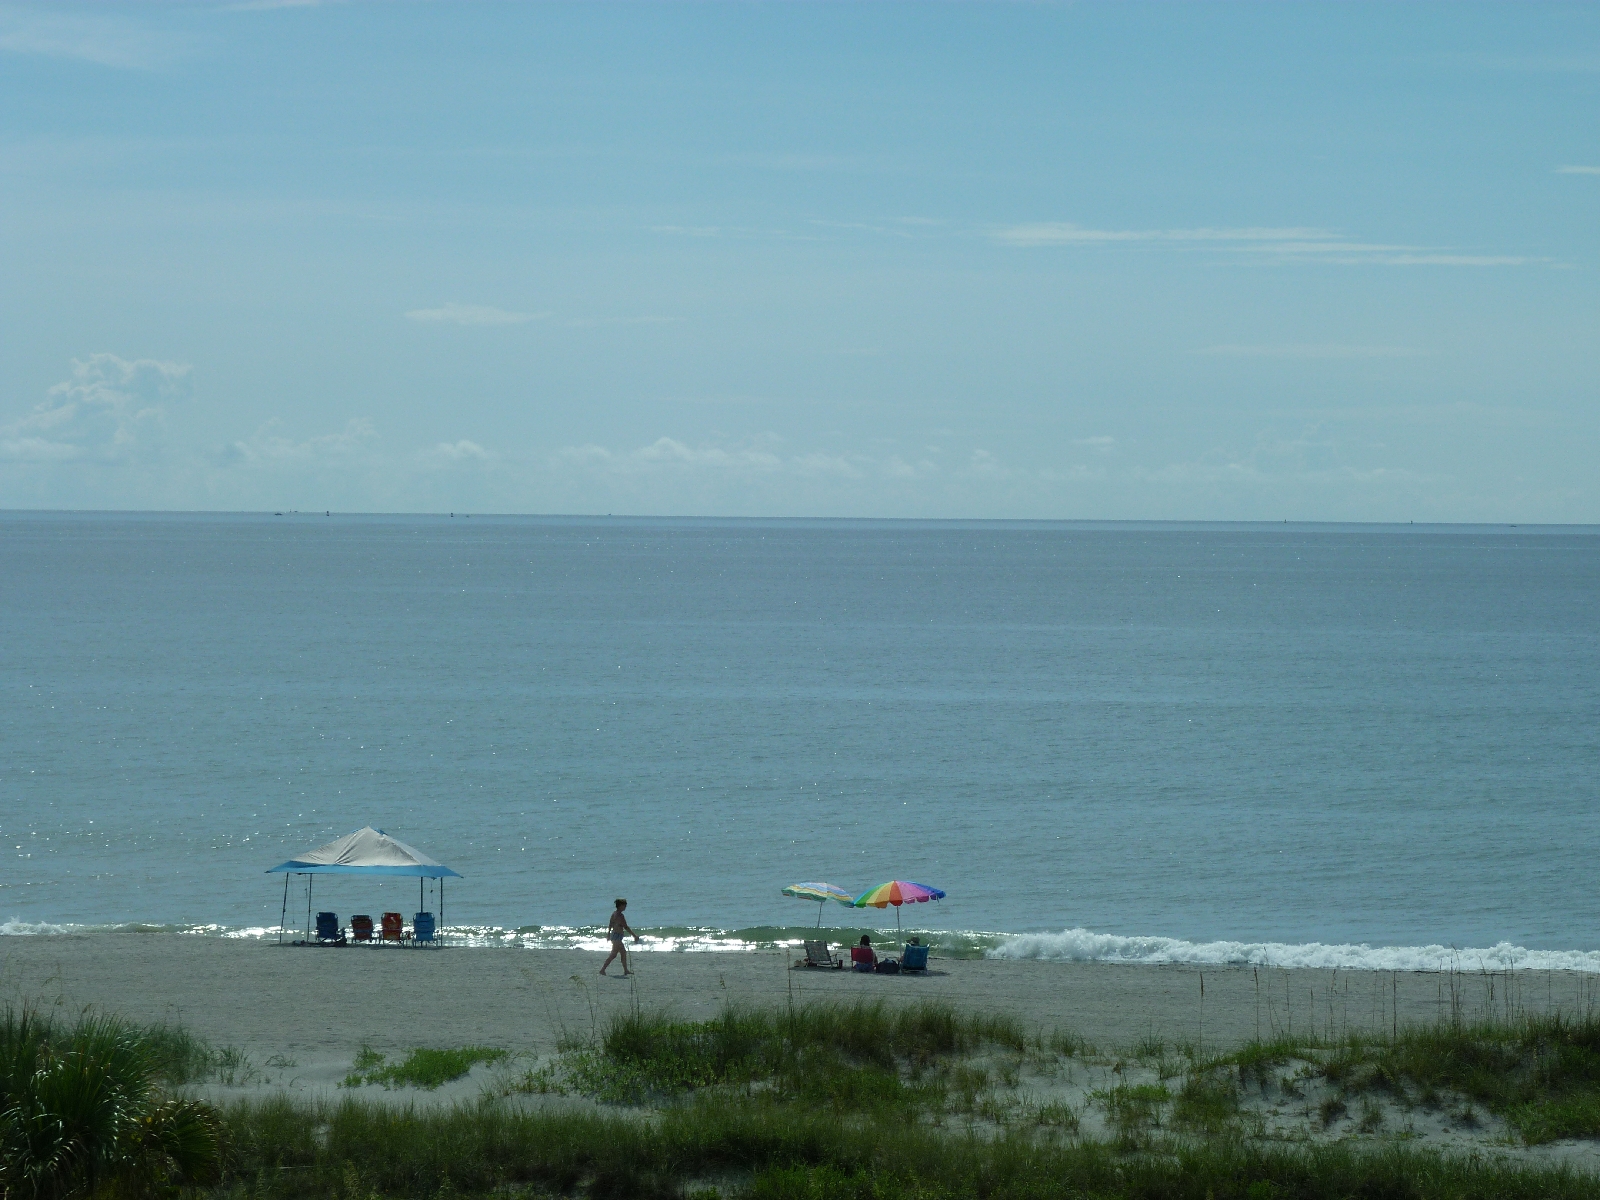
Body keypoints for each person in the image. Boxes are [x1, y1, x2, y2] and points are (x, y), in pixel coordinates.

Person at [599, 898, 641, 976]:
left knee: (622, 953)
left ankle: (625, 970)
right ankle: (602, 969)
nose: (625, 907)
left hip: (614, 936)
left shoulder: (614, 913)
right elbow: (626, 927)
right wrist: (634, 935)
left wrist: (608, 934)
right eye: (624, 905)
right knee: (613, 954)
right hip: (617, 937)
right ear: (621, 906)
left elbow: (610, 924)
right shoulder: (620, 916)